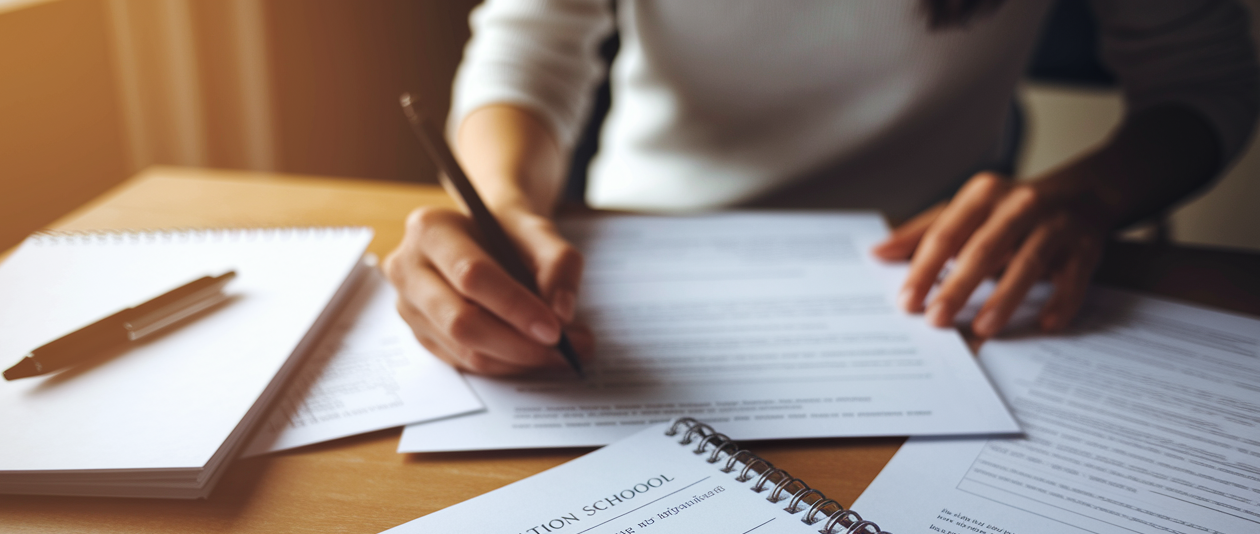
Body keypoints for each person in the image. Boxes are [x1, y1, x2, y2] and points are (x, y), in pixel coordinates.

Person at [383, 0, 1258, 375]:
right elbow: (528, 55)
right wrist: (500, 206)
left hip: (939, 272)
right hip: (642, 247)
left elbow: (1206, 79)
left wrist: (1091, 195)